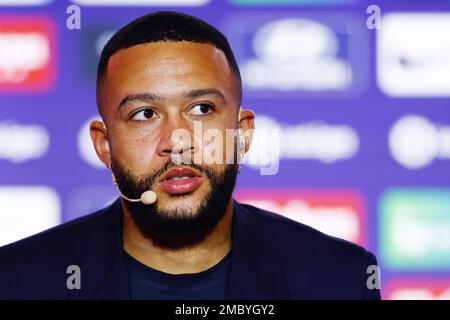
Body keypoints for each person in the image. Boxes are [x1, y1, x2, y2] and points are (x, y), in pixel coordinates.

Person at [0, 11, 380, 300]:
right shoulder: (17, 281)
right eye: (144, 114)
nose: (178, 140)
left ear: (242, 134)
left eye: (201, 109)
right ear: (104, 146)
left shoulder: (339, 280)